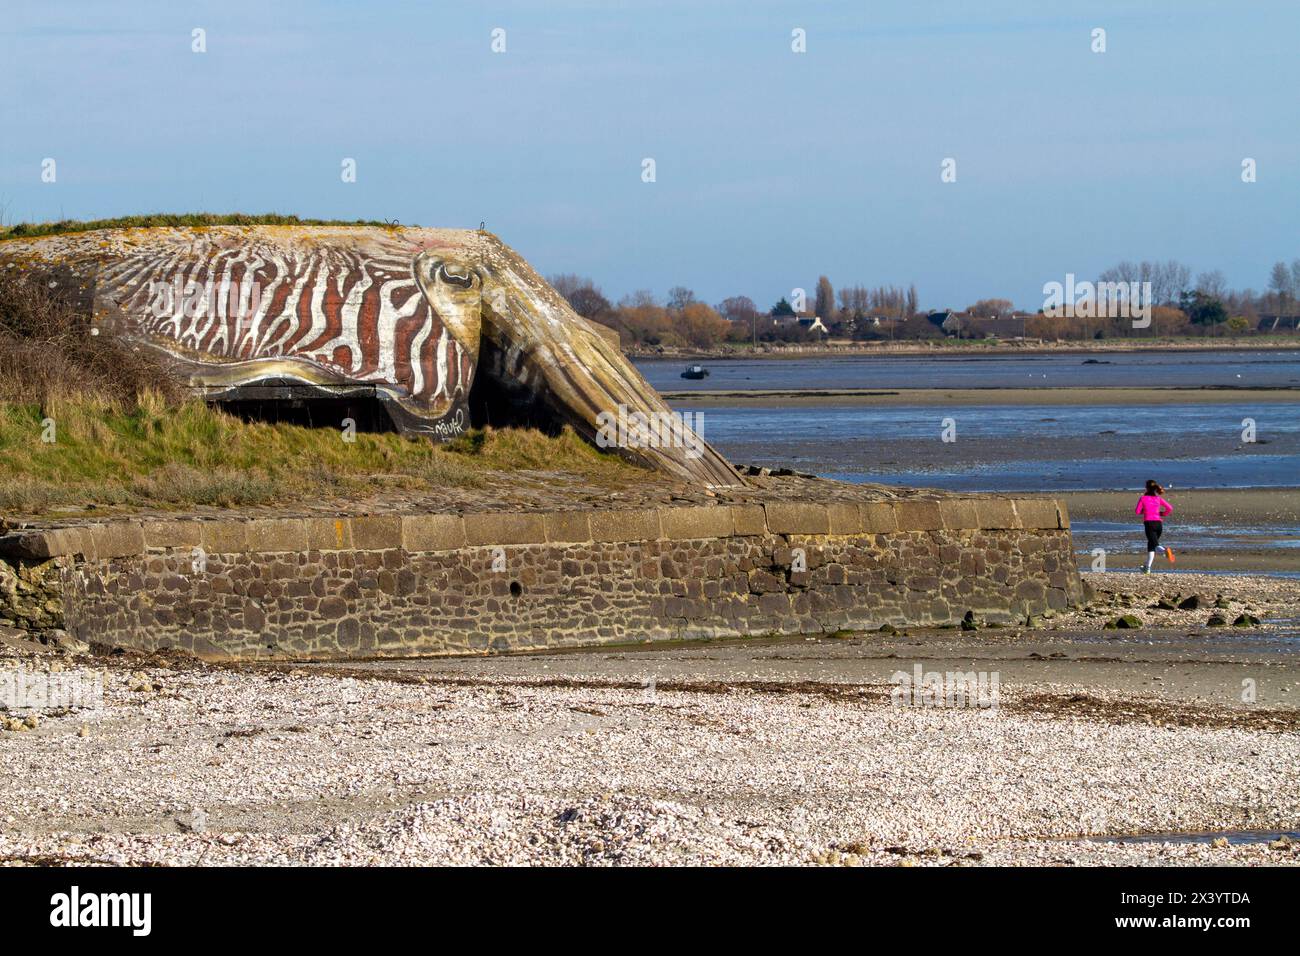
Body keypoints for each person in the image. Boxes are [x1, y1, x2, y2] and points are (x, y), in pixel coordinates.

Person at [1135, 479, 1175, 573]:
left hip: (1149, 524)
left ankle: (1165, 551)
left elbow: (1137, 511)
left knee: (1155, 545)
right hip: (1159, 524)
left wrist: (1145, 511)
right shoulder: (1158, 498)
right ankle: (1147, 568)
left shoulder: (1143, 498)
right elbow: (1170, 508)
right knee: (1151, 545)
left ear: (1146, 488)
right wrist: (1163, 514)